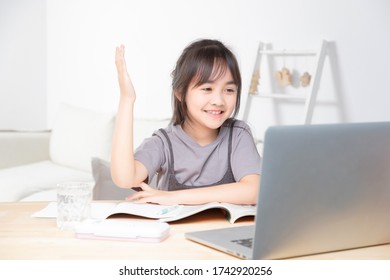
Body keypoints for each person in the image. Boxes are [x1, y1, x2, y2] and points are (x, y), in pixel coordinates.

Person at [111, 39, 261, 206]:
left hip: (224, 232)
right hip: (177, 232)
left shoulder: (238, 135)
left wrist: (175, 197)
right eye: (207, 89)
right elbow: (125, 178)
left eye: (229, 90)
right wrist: (127, 99)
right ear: (180, 93)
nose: (218, 100)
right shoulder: (164, 143)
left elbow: (253, 191)